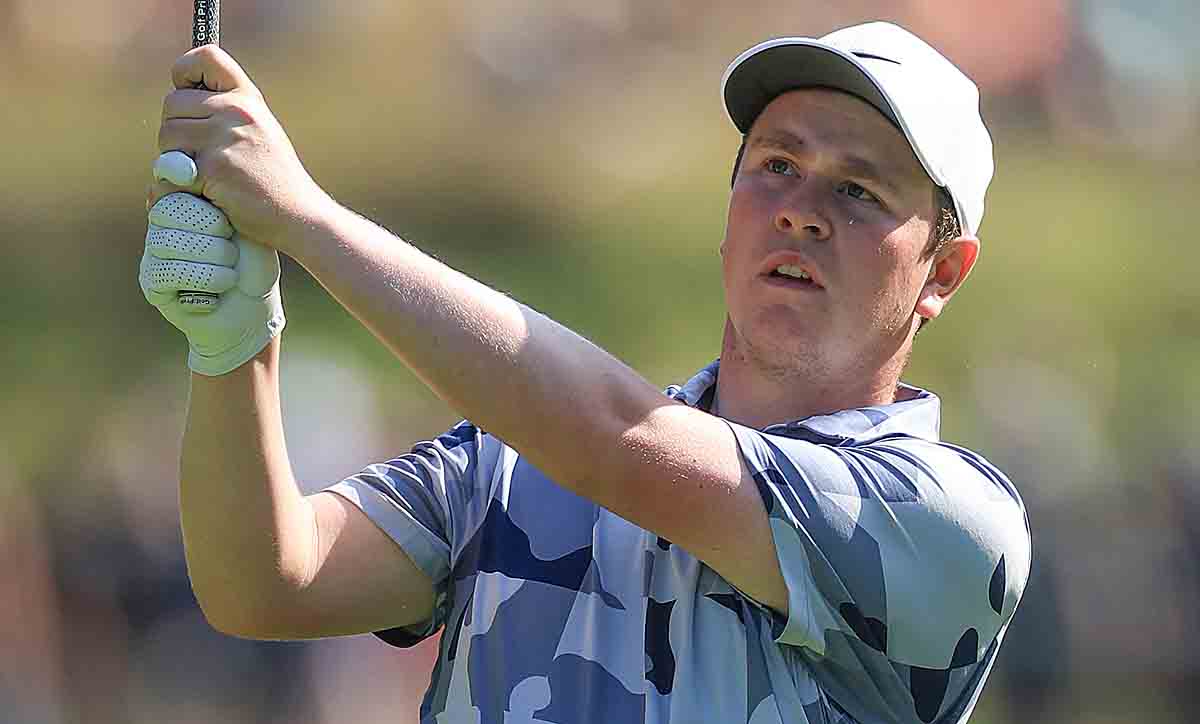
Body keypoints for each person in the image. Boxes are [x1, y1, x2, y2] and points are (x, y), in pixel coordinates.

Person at [139, 20, 1031, 724]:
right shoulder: (513, 460)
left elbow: (616, 439)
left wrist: (306, 219)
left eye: (857, 190)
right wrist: (233, 347)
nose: (799, 212)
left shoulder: (948, 523)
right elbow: (263, 584)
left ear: (942, 273)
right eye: (776, 166)